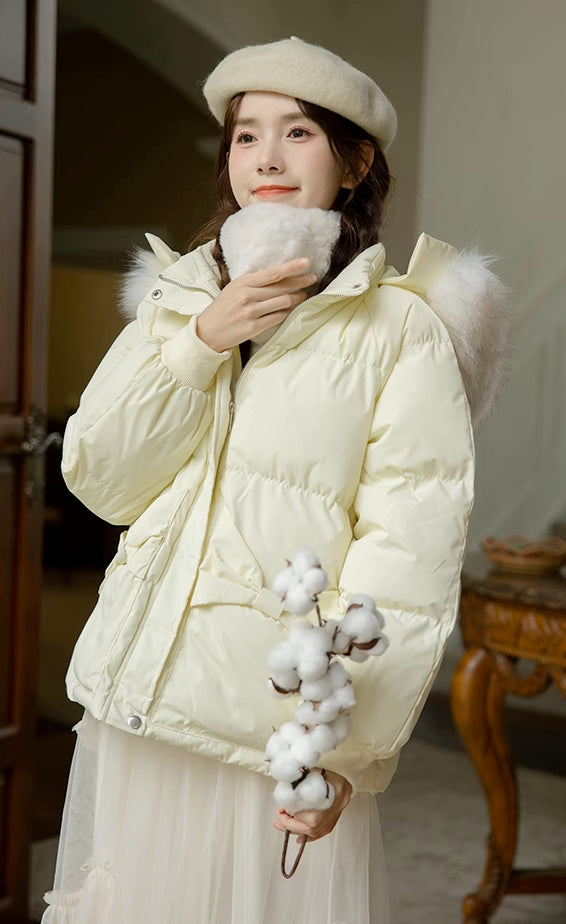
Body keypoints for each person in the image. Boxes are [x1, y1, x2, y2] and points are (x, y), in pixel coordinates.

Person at [42, 36, 511, 924]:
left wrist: (345, 756)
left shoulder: (401, 330)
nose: (265, 158)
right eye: (245, 134)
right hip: (144, 700)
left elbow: (406, 562)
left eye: (297, 133)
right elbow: (100, 481)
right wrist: (199, 343)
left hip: (281, 727)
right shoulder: (181, 295)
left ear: (355, 162)